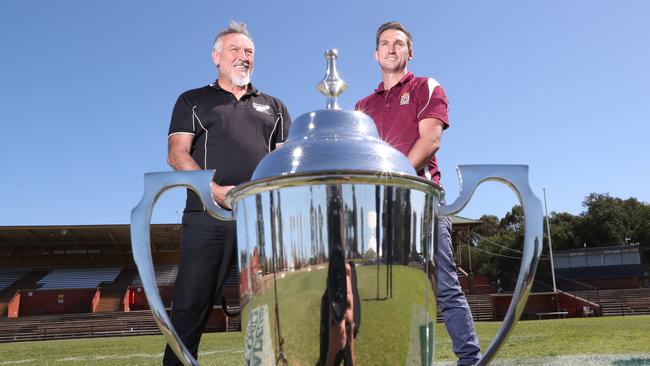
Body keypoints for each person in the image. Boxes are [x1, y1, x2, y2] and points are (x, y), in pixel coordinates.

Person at [355, 21, 481, 366]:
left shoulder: (426, 86)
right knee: (377, 289)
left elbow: (430, 140)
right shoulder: (361, 106)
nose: (391, 49)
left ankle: (470, 360)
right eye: (384, 44)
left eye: (399, 44)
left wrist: (394, 178)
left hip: (421, 200)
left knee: (445, 285)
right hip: (377, 208)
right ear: (375, 54)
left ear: (410, 52)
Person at [165, 21, 290, 365]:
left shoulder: (275, 107)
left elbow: (283, 163)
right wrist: (215, 191)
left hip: (261, 219)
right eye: (234, 50)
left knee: (273, 304)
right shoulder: (192, 100)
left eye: (249, 51)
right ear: (216, 57)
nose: (243, 57)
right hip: (208, 215)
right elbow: (177, 155)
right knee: (191, 304)